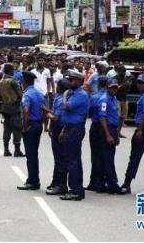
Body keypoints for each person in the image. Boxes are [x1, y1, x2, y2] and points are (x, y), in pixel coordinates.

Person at [59, 70, 89, 201]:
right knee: (72, 159)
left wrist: (64, 95)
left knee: (73, 161)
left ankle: (76, 191)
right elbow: (68, 116)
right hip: (70, 128)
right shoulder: (74, 93)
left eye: (72, 80)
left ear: (78, 81)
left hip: (75, 129)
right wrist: (63, 130)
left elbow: (66, 107)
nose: (69, 82)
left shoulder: (80, 94)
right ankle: (76, 189)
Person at [17, 71, 47, 191]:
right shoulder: (39, 94)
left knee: (31, 155)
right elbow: (44, 110)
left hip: (30, 125)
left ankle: (33, 181)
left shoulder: (27, 95)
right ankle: (34, 179)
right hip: (38, 125)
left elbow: (25, 111)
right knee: (34, 153)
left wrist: (24, 127)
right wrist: (45, 125)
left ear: (24, 81)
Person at [96, 78, 122, 194]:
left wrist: (116, 134)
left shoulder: (113, 98)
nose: (114, 89)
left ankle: (101, 184)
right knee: (108, 159)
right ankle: (112, 185)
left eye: (116, 87)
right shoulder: (104, 100)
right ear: (107, 87)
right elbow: (102, 117)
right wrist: (108, 135)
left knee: (107, 157)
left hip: (112, 129)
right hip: (106, 130)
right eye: (112, 87)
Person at [46, 78, 70, 195]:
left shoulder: (62, 100)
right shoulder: (57, 97)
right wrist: (50, 127)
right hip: (55, 128)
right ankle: (55, 181)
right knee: (57, 158)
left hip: (60, 128)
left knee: (61, 158)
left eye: (58, 85)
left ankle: (61, 185)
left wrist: (48, 114)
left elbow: (57, 117)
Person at [86, 76, 108, 193]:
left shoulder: (94, 97)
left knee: (95, 156)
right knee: (103, 155)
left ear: (99, 84)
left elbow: (89, 113)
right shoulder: (109, 97)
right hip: (106, 127)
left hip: (96, 126)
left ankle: (94, 182)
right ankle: (101, 182)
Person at [0, 63, 24, 157]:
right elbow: (20, 94)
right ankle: (17, 150)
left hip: (5, 107)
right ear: (11, 71)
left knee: (7, 128)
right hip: (14, 107)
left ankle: (6, 149)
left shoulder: (0, 82)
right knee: (17, 128)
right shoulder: (13, 81)